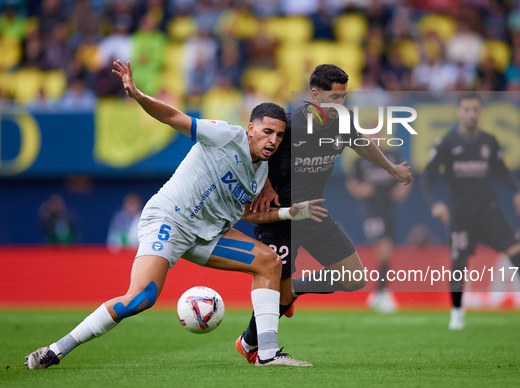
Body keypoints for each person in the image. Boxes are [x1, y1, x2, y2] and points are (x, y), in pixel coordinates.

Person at [24, 60, 328, 369]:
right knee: (140, 298)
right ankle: (55, 350)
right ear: (250, 128)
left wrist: (291, 213)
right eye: (267, 132)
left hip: (208, 235)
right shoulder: (225, 135)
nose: (273, 140)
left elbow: (250, 216)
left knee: (269, 262)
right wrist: (139, 95)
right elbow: (173, 116)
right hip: (169, 220)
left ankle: (266, 355)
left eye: (278, 135)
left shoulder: (260, 173)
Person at [236, 64, 413, 363]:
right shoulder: (289, 124)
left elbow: (363, 145)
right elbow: (250, 146)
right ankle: (255, 346)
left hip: (314, 214)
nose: (339, 104)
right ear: (315, 95)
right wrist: (264, 184)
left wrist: (392, 168)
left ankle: (294, 289)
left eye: (343, 97)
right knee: (276, 296)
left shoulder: (343, 123)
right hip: (280, 217)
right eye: (333, 98)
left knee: (355, 277)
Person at [420, 93, 520, 330]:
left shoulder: (489, 141)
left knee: (517, 252)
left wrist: (518, 190)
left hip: (489, 213)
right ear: (459, 112)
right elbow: (427, 177)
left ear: (481, 112)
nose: (471, 114)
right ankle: (457, 313)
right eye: (466, 109)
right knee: (460, 264)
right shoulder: (446, 143)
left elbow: (503, 170)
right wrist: (435, 203)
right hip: (461, 216)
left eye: (475, 109)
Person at [345, 147, 412, 313]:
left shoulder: (392, 155)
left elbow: (408, 175)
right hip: (371, 211)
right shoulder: (361, 160)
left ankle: (378, 292)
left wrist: (403, 188)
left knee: (387, 251)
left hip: (389, 210)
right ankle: (382, 292)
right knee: (384, 249)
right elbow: (352, 182)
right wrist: (361, 190)